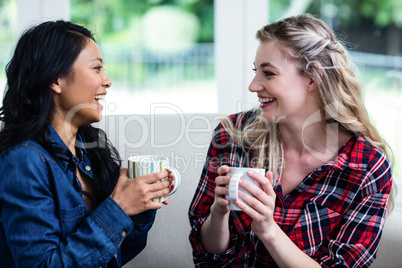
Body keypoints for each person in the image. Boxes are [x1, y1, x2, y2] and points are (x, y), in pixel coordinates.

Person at [189, 13, 395, 267]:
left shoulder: (366, 167)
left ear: (312, 77)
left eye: (268, 73)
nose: (254, 85)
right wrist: (218, 213)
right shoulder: (232, 135)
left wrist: (267, 229)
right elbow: (207, 253)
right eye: (256, 71)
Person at [0, 20, 175, 267]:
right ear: (57, 79)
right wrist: (119, 207)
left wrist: (142, 202)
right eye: (97, 68)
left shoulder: (88, 150)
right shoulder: (22, 160)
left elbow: (116, 254)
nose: (107, 81)